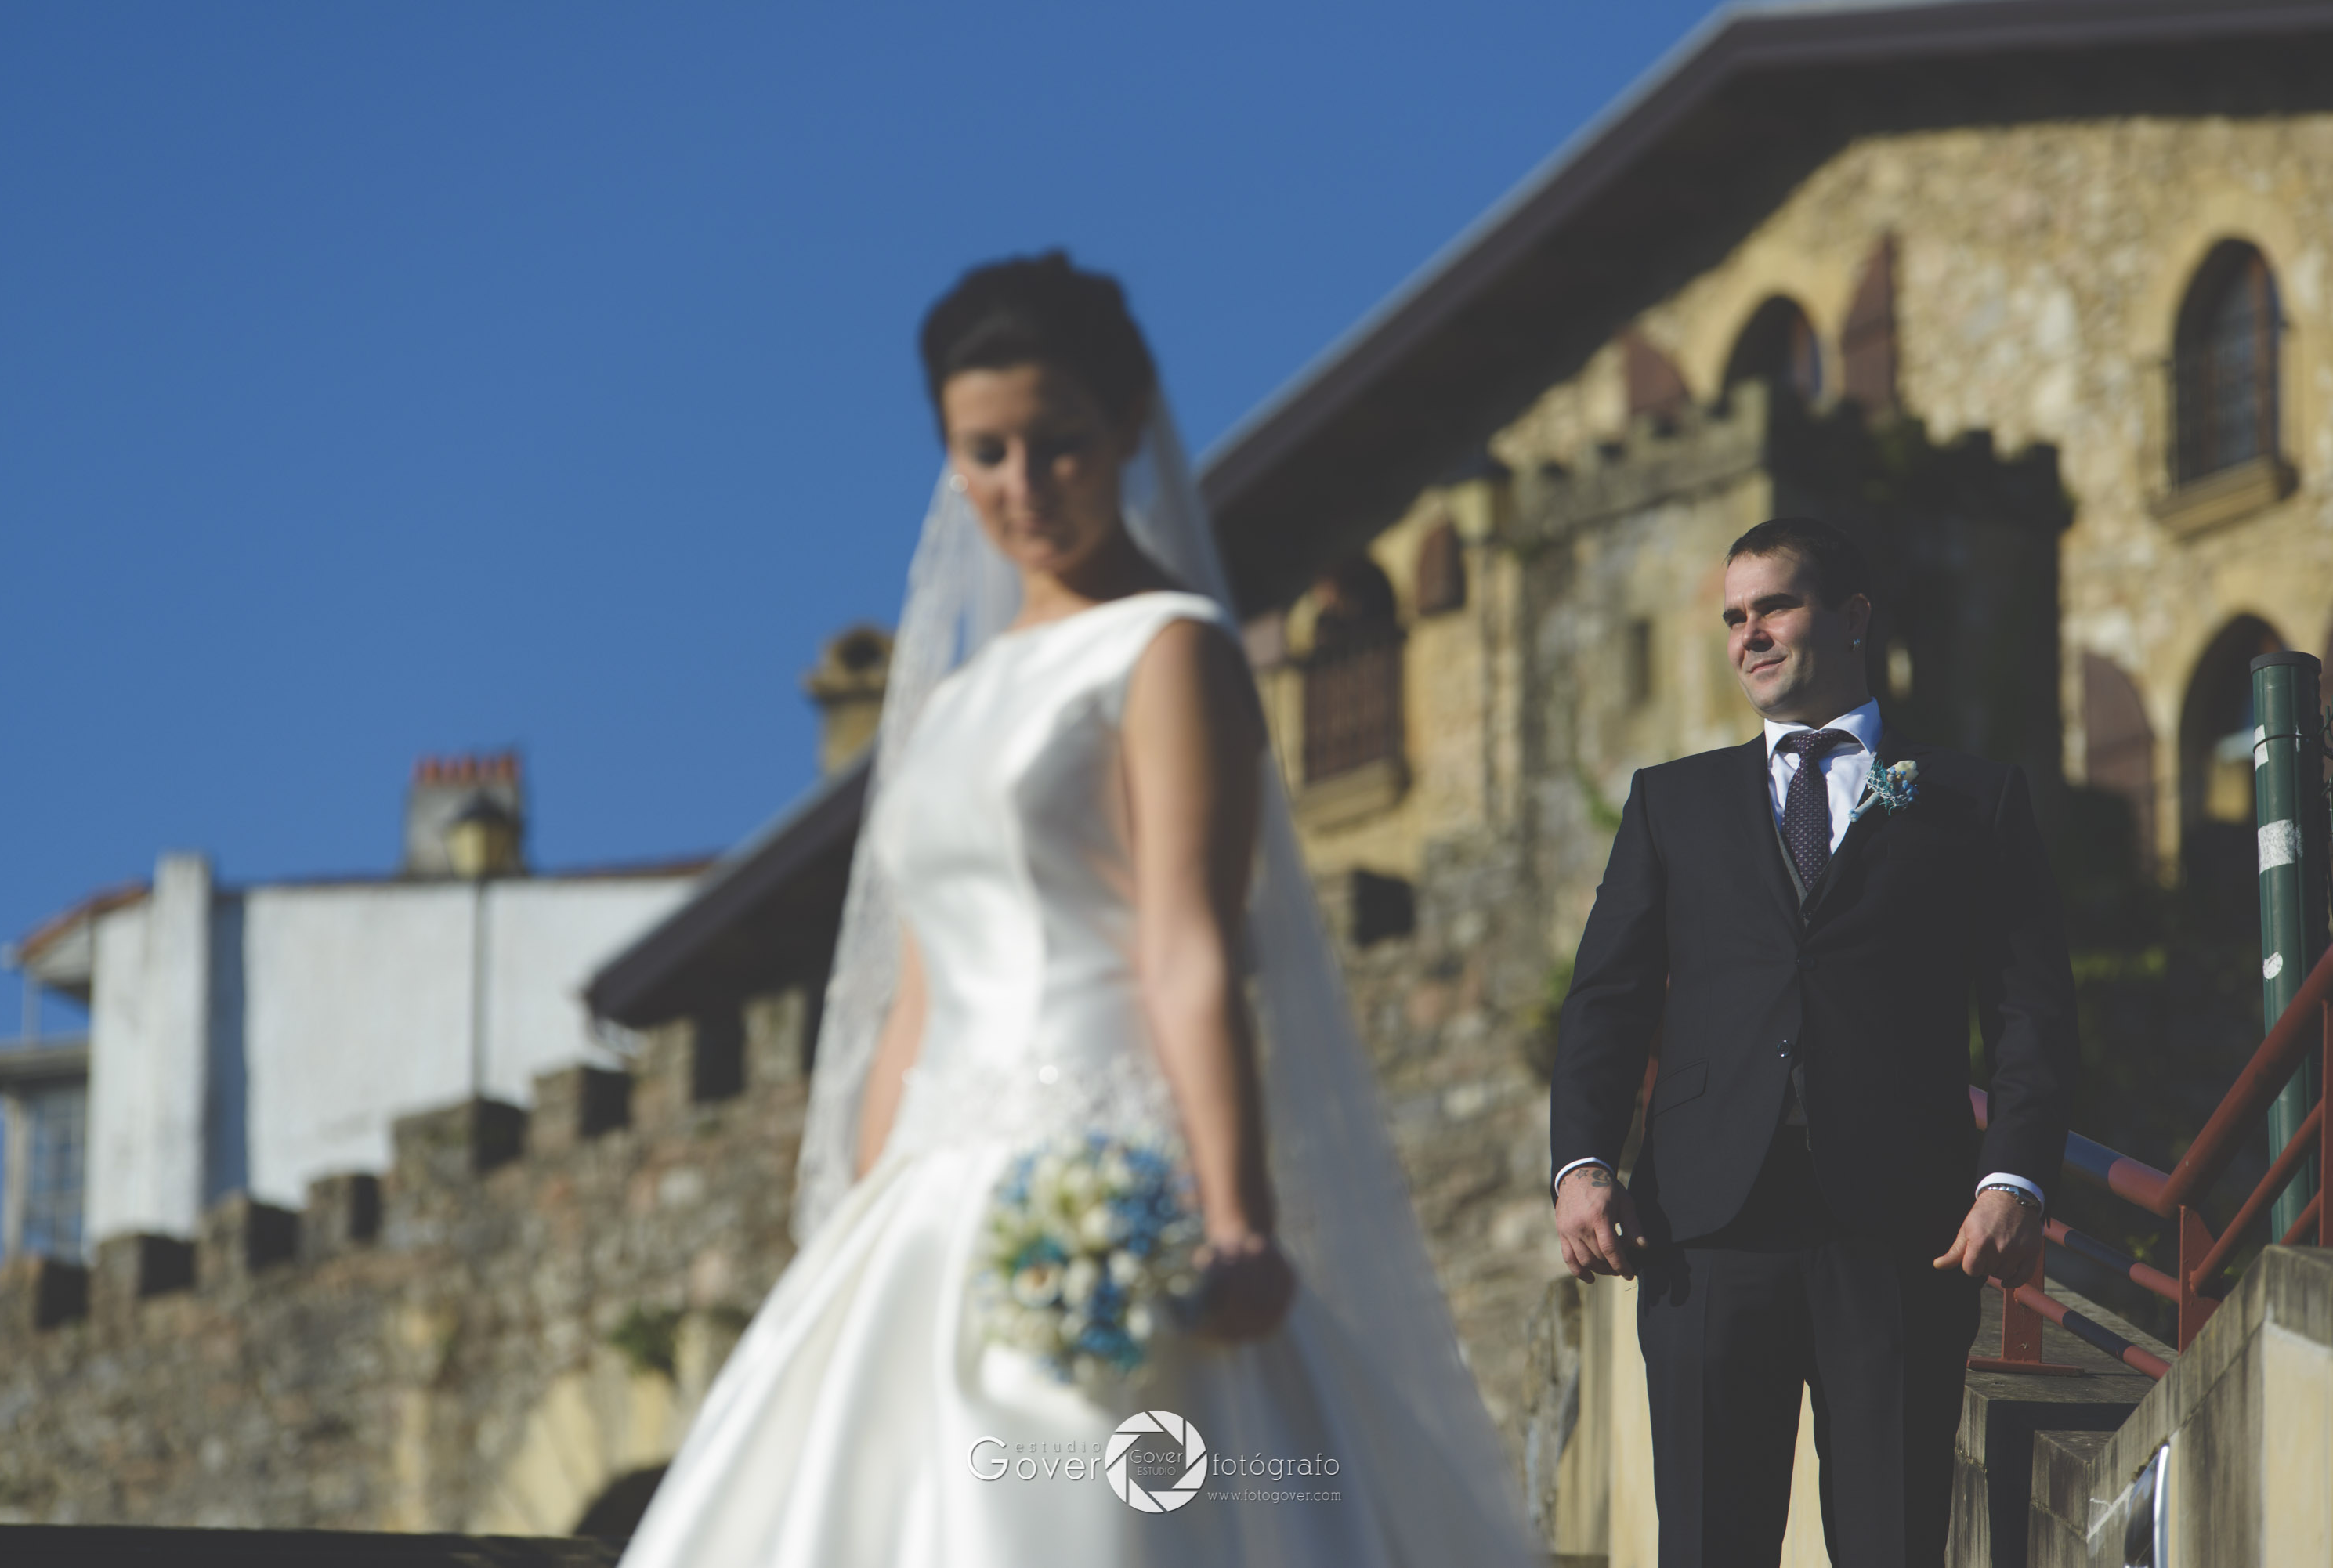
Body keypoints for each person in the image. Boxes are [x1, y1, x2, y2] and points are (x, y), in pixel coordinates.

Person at [617, 252, 1537, 1566]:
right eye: (982, 453)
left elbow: (1188, 943)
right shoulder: (944, 702)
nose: (1021, 486)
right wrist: (846, 1239)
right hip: (930, 1186)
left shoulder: (1167, 648)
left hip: (1107, 1170)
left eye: (1057, 445)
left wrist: (1234, 1216)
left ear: (1124, 432)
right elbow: (912, 1001)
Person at [1548, 517, 2078, 1568]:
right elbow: (1604, 1000)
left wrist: (2013, 1174)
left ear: (1852, 617)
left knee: (1891, 1541)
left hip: (1899, 1236)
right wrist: (1580, 1163)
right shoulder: (1672, 803)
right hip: (1704, 1231)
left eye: (1775, 606)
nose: (1750, 634)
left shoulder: (1972, 799)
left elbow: (2032, 1010)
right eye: (1735, 616)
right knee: (1707, 1543)